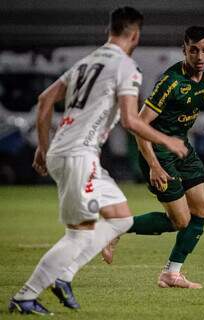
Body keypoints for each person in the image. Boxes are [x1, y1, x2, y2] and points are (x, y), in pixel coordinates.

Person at [8, 7, 187, 315]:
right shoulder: (126, 66)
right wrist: (167, 141)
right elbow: (131, 121)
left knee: (120, 219)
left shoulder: (87, 61)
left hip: (71, 152)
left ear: (111, 30)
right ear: (135, 35)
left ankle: (63, 277)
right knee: (79, 234)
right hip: (79, 155)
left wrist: (43, 146)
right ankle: (26, 295)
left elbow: (45, 99)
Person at [117, 25, 204, 288]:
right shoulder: (171, 82)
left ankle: (171, 274)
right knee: (181, 220)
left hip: (182, 149)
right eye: (193, 50)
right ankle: (117, 226)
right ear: (184, 50)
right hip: (158, 152)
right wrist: (153, 165)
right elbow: (139, 125)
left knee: (202, 209)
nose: (200, 57)